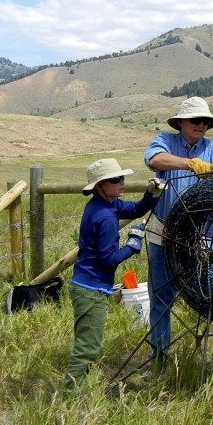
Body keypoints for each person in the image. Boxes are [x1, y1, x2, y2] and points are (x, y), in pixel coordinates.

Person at [143, 96, 213, 371]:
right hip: (163, 235)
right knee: (161, 299)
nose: (201, 125)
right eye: (195, 120)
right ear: (181, 122)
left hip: (202, 237)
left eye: (206, 121)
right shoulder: (165, 141)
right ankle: (158, 361)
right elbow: (154, 159)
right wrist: (189, 163)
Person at [64, 158, 162, 388]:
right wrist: (132, 246)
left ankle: (77, 385)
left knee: (85, 341)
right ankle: (69, 394)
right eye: (115, 179)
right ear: (99, 185)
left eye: (122, 178)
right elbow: (108, 259)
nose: (121, 182)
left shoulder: (105, 203)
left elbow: (135, 209)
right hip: (91, 290)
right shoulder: (106, 217)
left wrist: (150, 195)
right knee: (87, 347)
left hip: (85, 284)